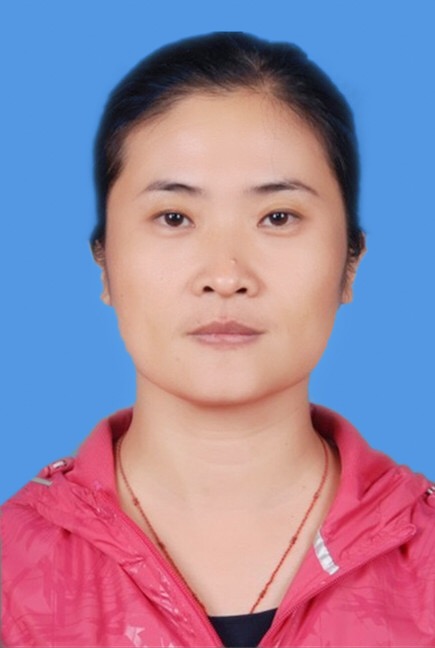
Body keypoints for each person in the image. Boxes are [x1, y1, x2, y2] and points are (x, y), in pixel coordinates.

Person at [2, 31, 434, 648]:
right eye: (174, 217)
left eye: (278, 217)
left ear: (351, 262)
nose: (226, 276)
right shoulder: (11, 573)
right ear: (104, 262)